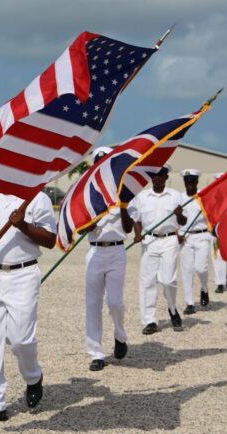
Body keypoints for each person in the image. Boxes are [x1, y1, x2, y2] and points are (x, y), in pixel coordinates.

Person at [0, 190, 56, 425]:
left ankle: (33, 377)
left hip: (24, 274)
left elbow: (50, 240)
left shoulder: (37, 197)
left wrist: (23, 225)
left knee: (21, 340)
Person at [82, 147, 133, 372]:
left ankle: (120, 335)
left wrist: (123, 205)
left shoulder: (124, 191)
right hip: (95, 251)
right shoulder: (88, 195)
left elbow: (128, 228)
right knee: (93, 304)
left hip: (116, 251)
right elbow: (84, 228)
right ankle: (96, 353)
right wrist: (96, 214)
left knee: (115, 302)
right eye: (99, 162)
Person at [129, 164, 187, 334]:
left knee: (168, 280)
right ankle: (150, 321)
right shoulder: (142, 197)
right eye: (154, 175)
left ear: (166, 177)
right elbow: (137, 220)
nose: (157, 178)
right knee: (147, 281)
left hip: (169, 240)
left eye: (160, 175)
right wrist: (138, 234)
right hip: (149, 240)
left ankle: (172, 309)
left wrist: (179, 214)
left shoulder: (176, 196)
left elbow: (183, 221)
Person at [177, 169, 211, 314]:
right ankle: (189, 303)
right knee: (187, 271)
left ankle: (204, 288)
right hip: (185, 238)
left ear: (197, 181)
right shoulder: (179, 198)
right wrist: (177, 234)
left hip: (202, 235)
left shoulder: (204, 196)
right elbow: (174, 219)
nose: (189, 184)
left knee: (201, 268)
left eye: (192, 181)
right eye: (187, 181)